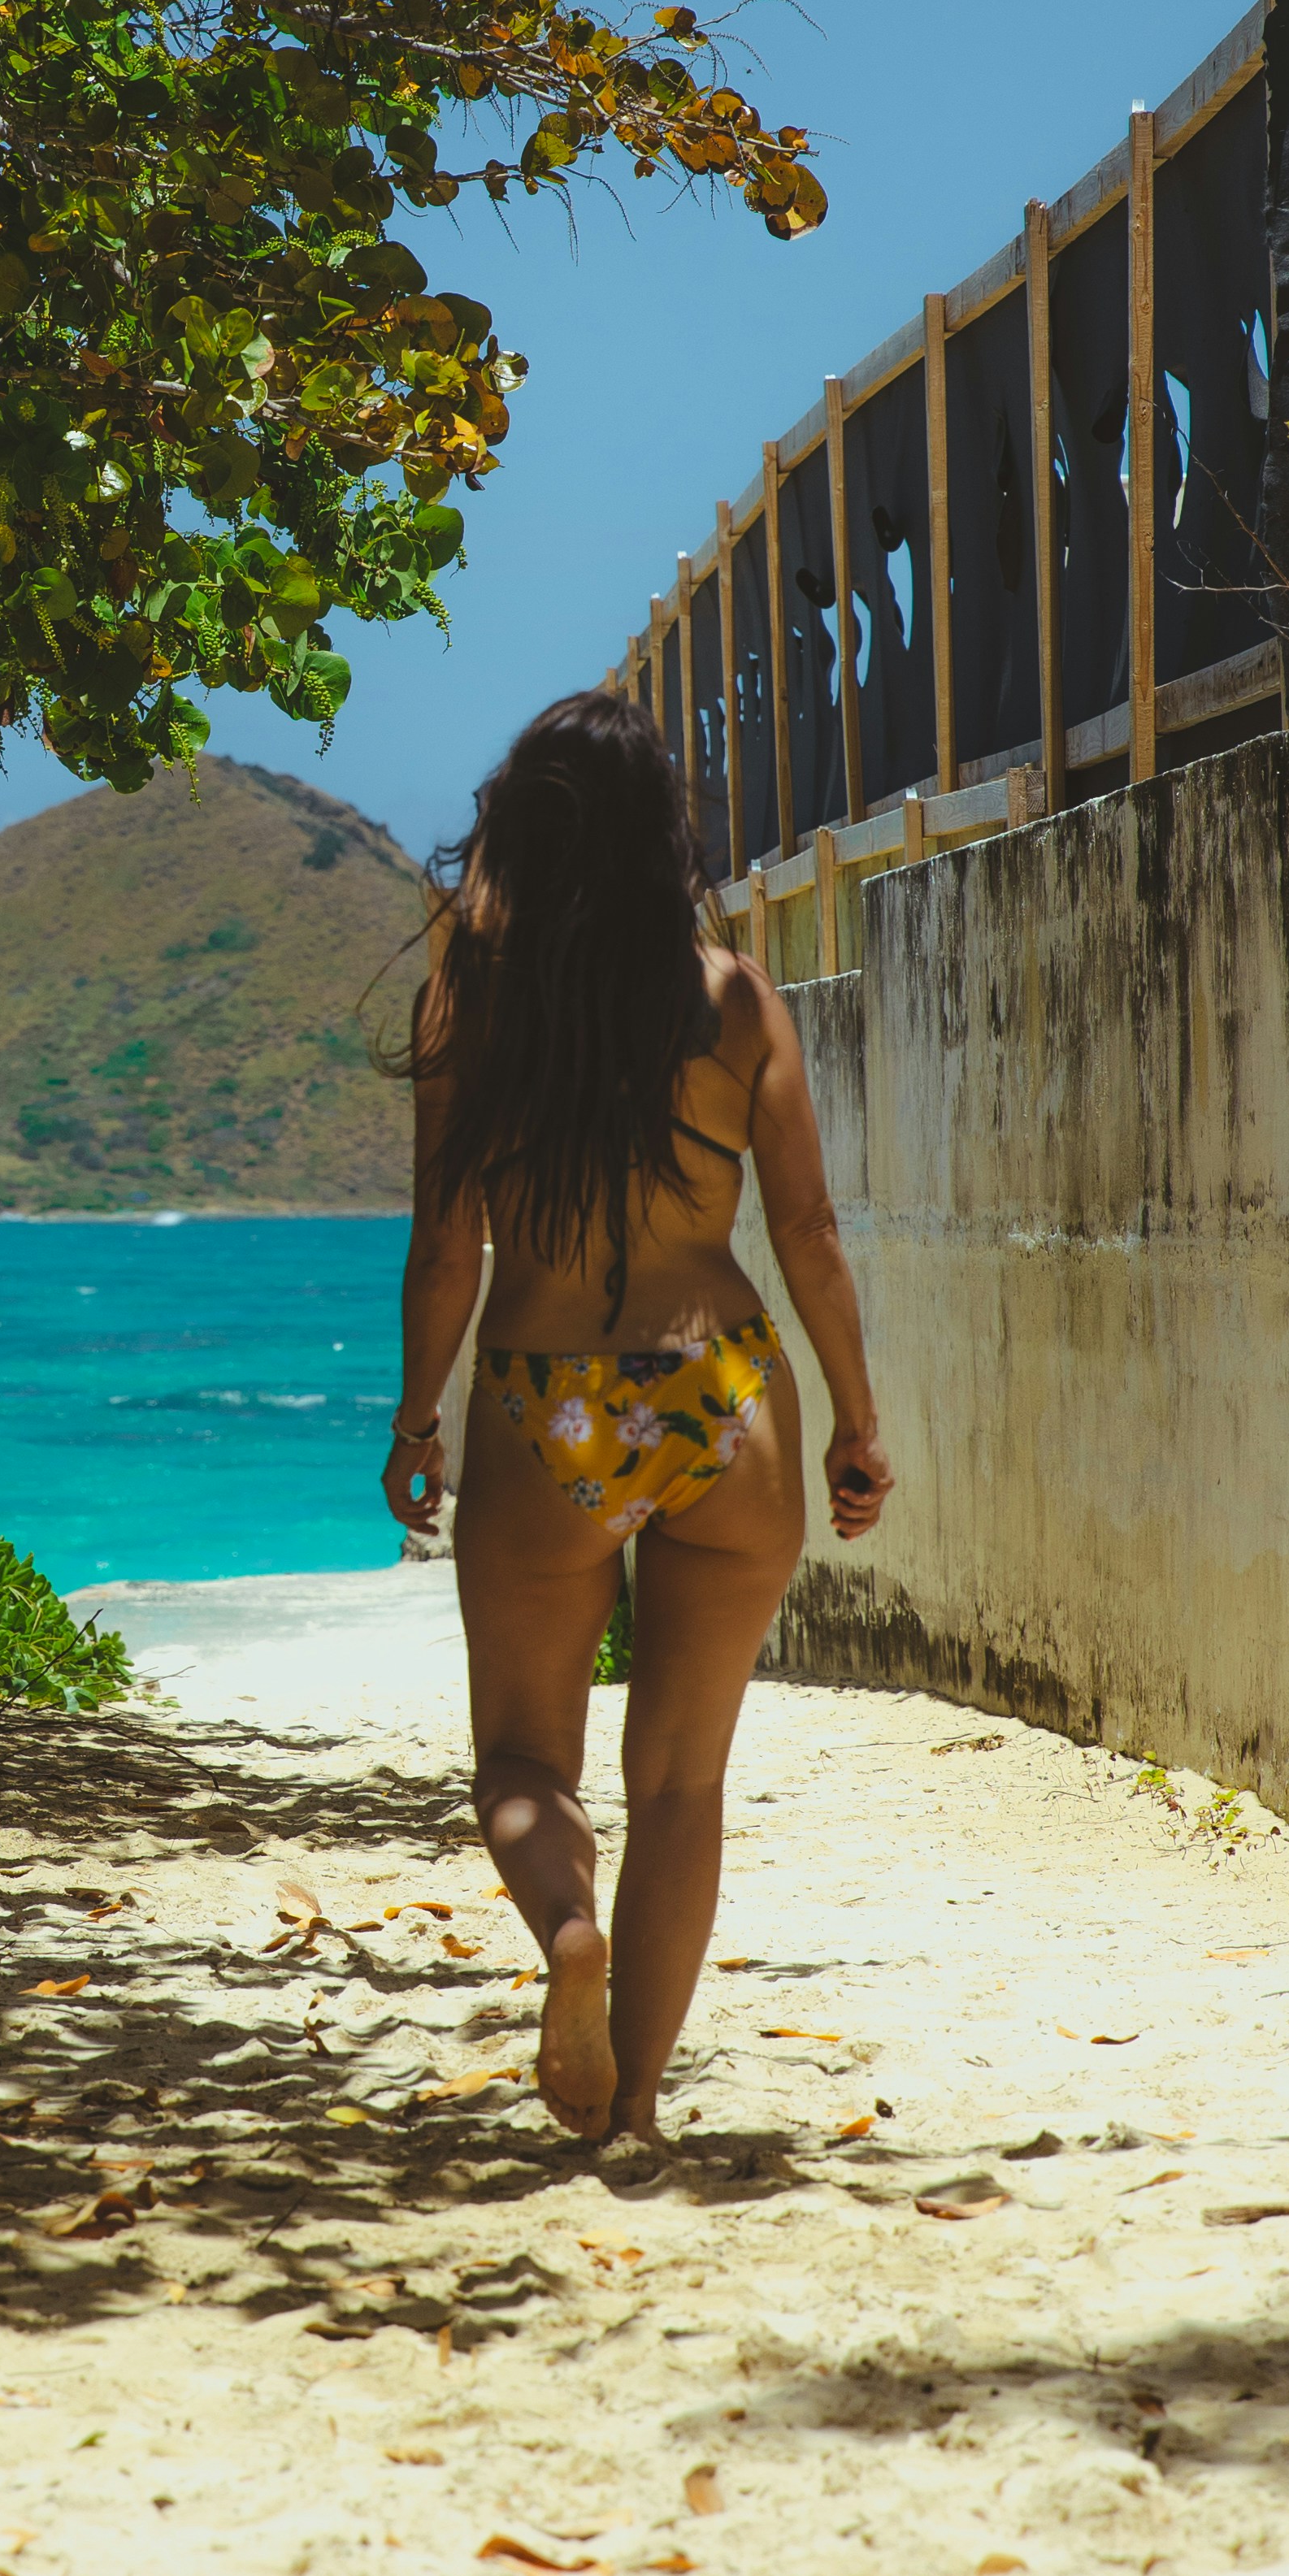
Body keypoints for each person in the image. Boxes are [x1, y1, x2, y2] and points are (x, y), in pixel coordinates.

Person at [380, 690, 891, 2151]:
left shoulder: (472, 1002)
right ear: (660, 831)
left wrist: (417, 1421)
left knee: (523, 1761)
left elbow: (447, 1250)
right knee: (680, 1782)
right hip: (722, 1392)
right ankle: (641, 2107)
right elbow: (808, 1231)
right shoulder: (732, 1000)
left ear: (521, 832)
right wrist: (856, 1421)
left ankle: (569, 1936)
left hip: (546, 1400)